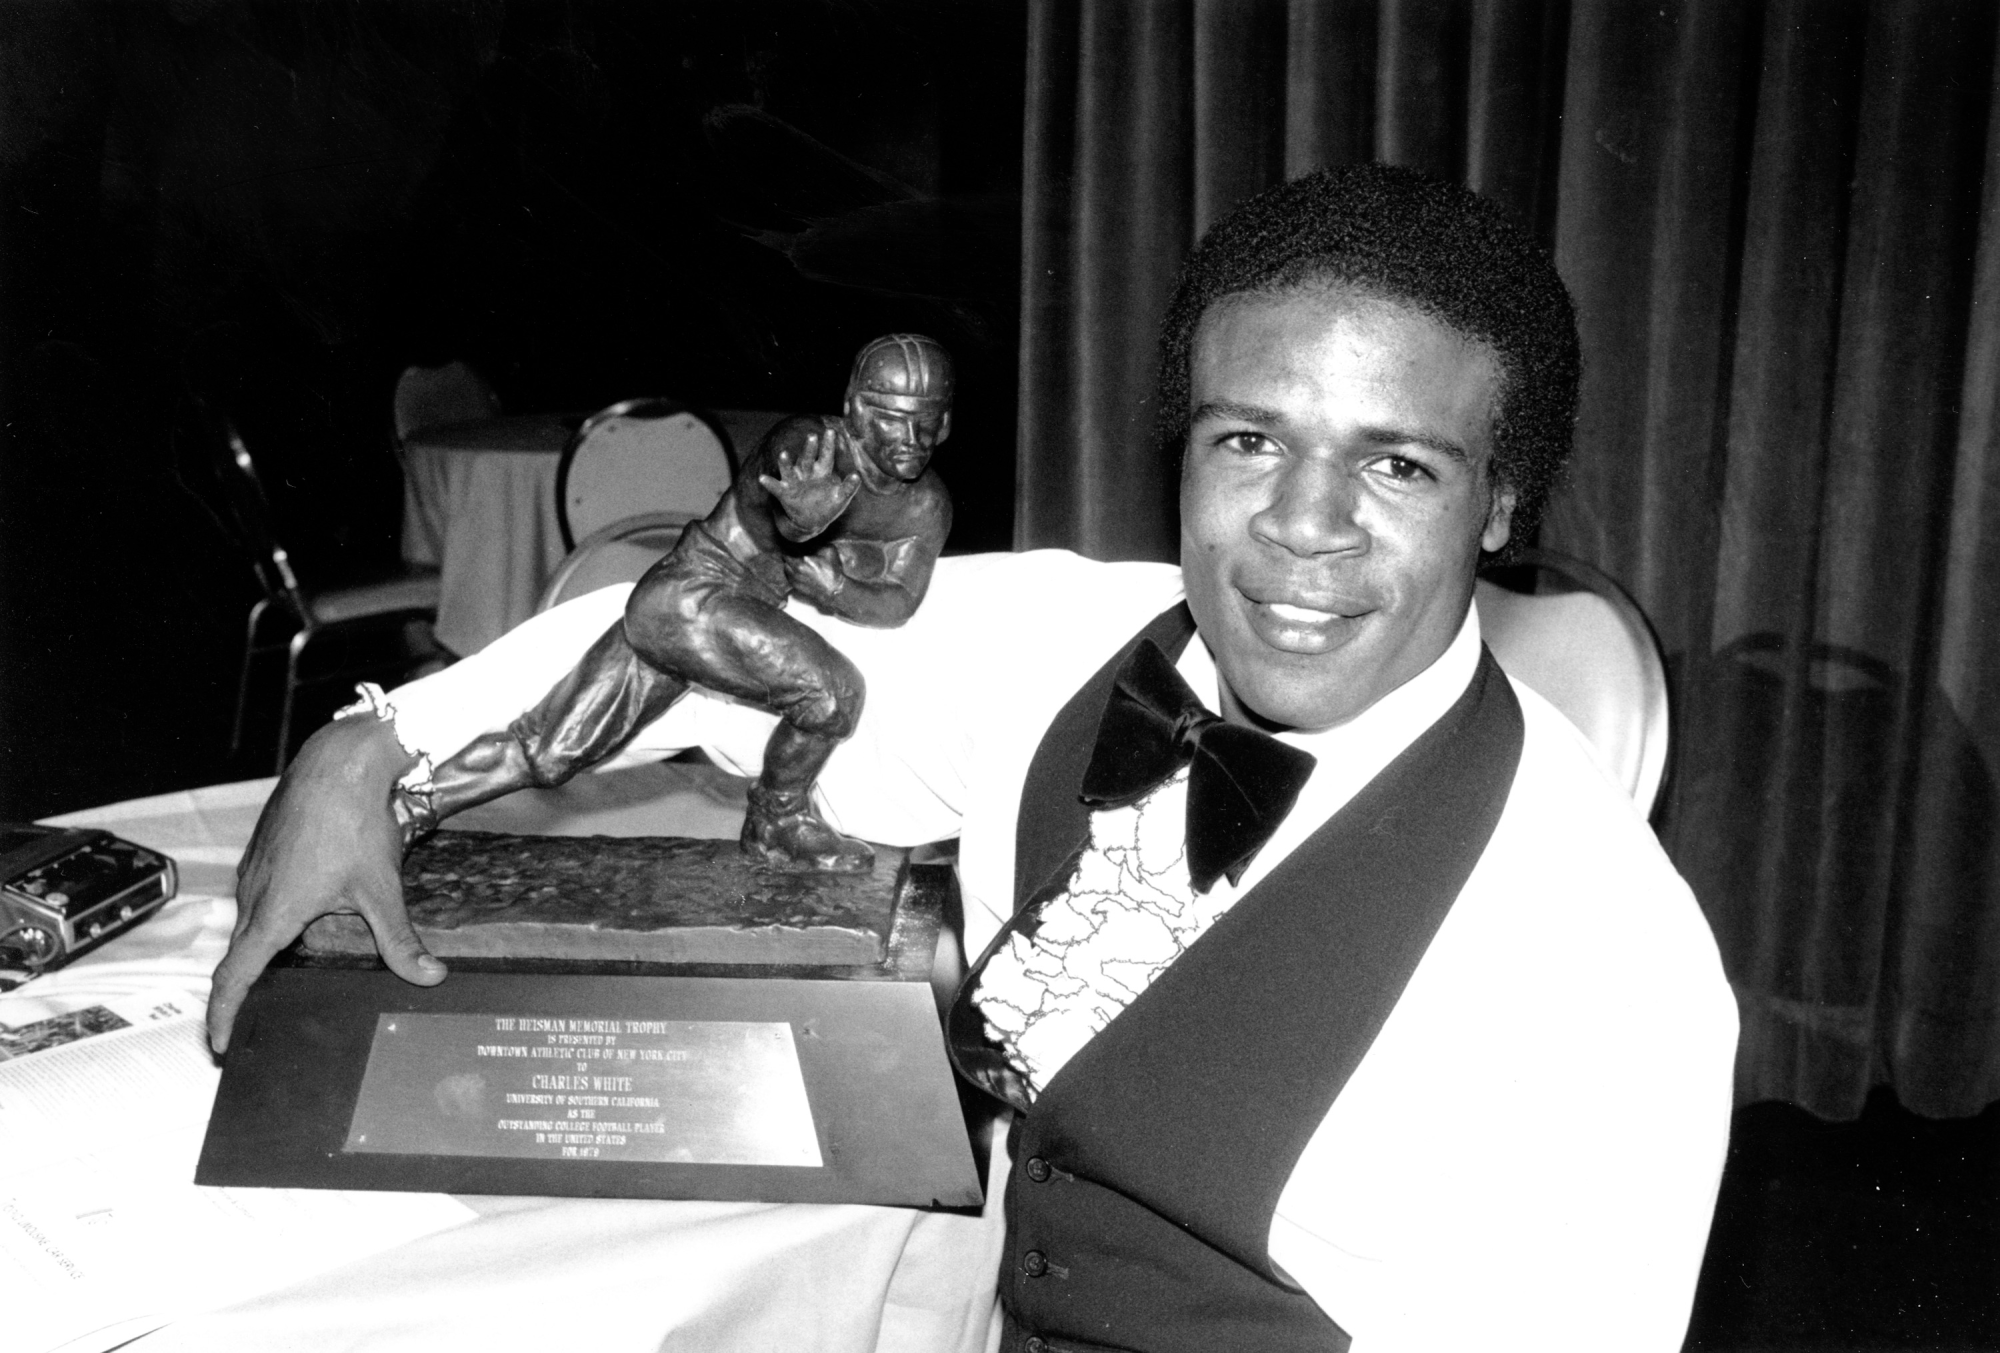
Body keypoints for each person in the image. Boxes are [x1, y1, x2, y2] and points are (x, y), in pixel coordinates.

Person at [208, 164, 1736, 1352]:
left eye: (1395, 463)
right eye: (1250, 442)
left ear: (1503, 506)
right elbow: (681, 635)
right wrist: (378, 744)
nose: (1300, 528)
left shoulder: (1612, 963)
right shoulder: (1069, 649)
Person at [396, 332, 955, 873]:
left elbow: (899, 601)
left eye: (926, 420)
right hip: (691, 595)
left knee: (550, 751)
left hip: (703, 618)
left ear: (946, 422)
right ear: (855, 408)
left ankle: (408, 809)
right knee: (833, 694)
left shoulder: (925, 505)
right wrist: (802, 520)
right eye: (890, 416)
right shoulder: (810, 444)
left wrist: (836, 589)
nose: (909, 436)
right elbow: (777, 503)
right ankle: (775, 819)